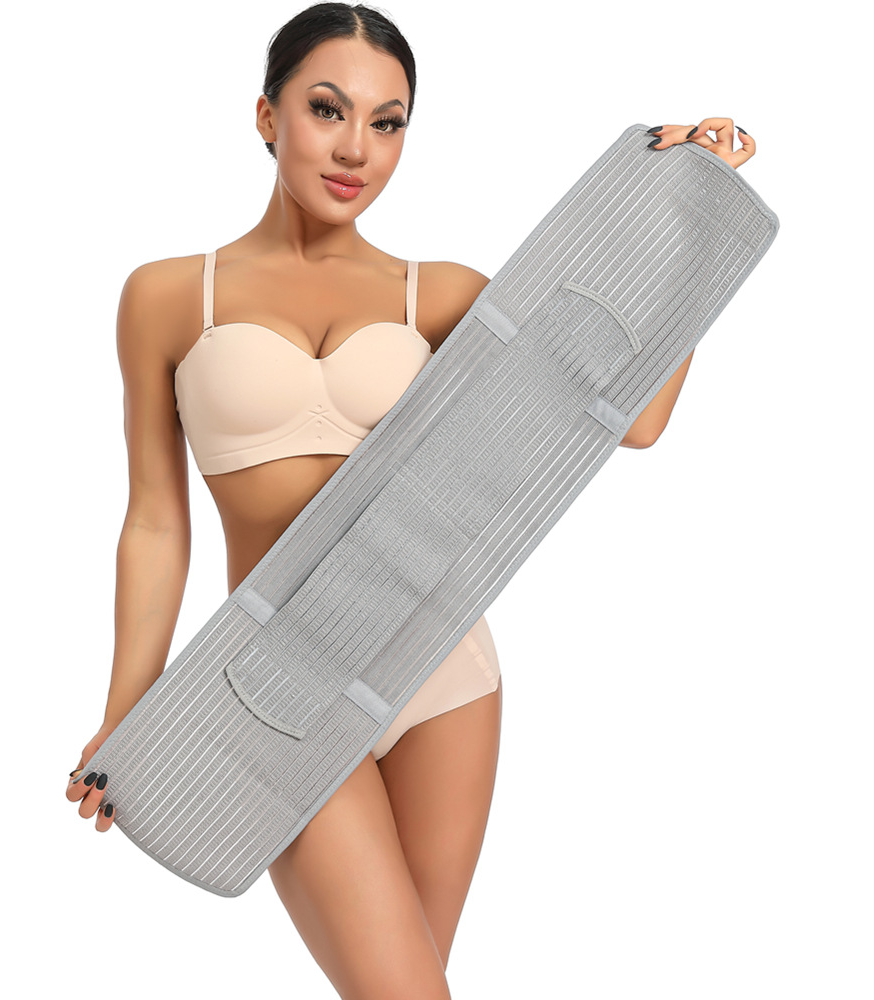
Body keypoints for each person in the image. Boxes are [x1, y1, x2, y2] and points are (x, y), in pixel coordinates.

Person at [66, 3, 756, 996]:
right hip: (271, 680)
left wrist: (692, 220)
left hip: (445, 676)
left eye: (387, 123)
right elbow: (154, 520)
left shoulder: (441, 295)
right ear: (265, 116)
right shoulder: (169, 296)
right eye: (327, 109)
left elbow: (632, 418)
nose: (357, 148)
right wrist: (125, 713)